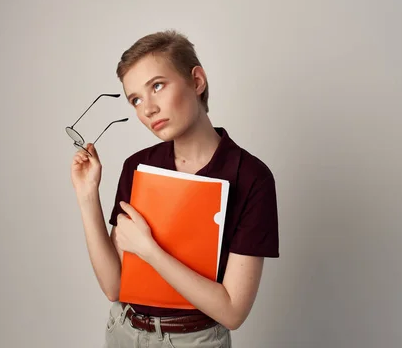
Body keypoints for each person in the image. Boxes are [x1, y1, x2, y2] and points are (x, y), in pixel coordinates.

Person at [70, 30, 279, 347]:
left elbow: (233, 311)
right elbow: (114, 287)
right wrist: (88, 196)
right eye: (136, 99)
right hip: (124, 332)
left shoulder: (252, 178)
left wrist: (149, 250)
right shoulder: (137, 167)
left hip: (194, 340)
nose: (148, 109)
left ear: (197, 81)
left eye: (157, 86)